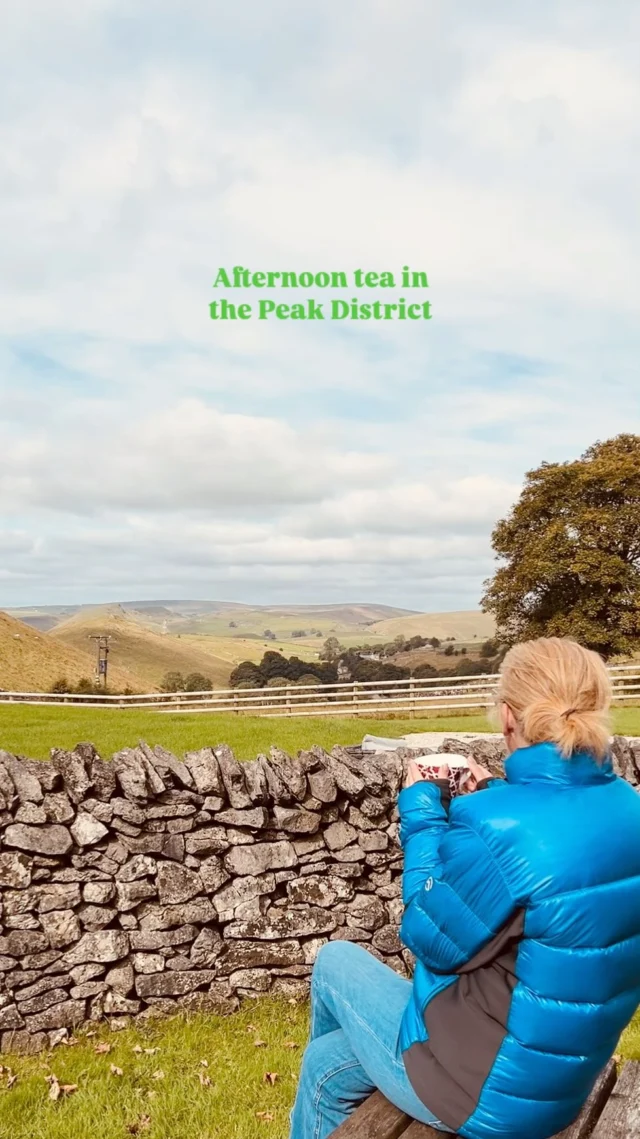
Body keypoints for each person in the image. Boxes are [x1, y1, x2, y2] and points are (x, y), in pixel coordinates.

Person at [289, 637, 640, 1139]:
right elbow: (551, 853)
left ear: (506, 716)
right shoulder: (626, 805)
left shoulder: (496, 828)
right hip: (560, 1079)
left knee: (334, 961)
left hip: (490, 1096)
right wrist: (497, 794)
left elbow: (428, 935)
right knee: (327, 1065)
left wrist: (421, 811)